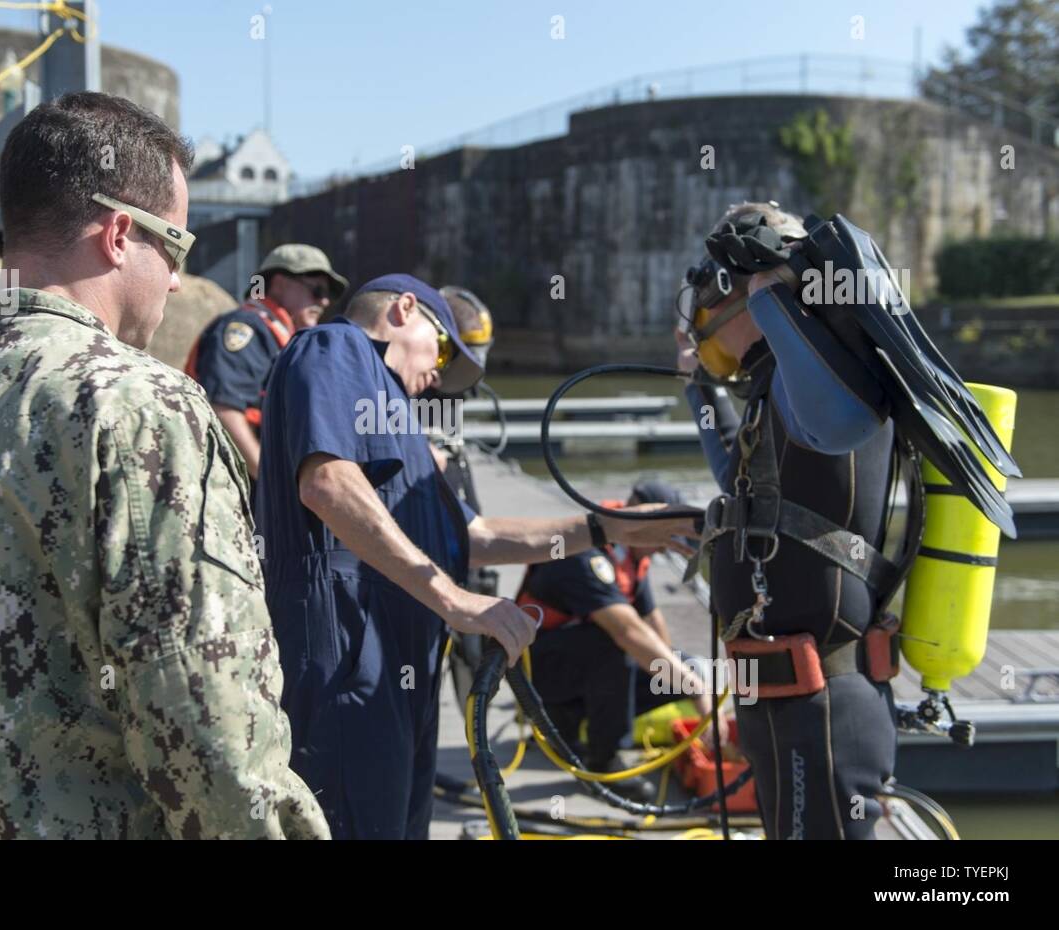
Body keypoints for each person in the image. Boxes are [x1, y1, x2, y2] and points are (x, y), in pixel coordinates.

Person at [0, 92, 327, 840]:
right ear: (121, 233)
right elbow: (212, 723)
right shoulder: (144, 409)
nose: (178, 281)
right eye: (175, 249)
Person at [253, 273, 697, 839]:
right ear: (402, 310)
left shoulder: (400, 422)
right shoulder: (336, 347)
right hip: (344, 652)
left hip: (397, 668)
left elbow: (474, 533)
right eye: (442, 349)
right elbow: (327, 484)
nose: (439, 375)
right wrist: (454, 598)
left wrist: (607, 528)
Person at [678, 201, 901, 839]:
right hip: (777, 698)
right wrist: (700, 393)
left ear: (740, 298)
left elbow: (839, 425)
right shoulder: (777, 388)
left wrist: (775, 292)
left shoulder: (833, 374)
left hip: (824, 698)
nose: (698, 337)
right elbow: (742, 488)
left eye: (702, 318)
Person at [516, 480, 726, 786]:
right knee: (613, 646)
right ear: (640, 518)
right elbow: (627, 631)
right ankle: (603, 764)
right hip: (538, 670)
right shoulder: (583, 551)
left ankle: (571, 722)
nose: (665, 546)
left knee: (679, 667)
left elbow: (652, 626)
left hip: (577, 662)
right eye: (665, 535)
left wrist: (685, 676)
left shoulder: (632, 554)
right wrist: (698, 691)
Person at [185, 244, 348, 479]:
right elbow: (224, 409)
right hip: (225, 484)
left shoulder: (279, 337)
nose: (323, 302)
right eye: (317, 290)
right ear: (280, 284)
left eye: (327, 295)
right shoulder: (247, 329)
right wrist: (271, 483)